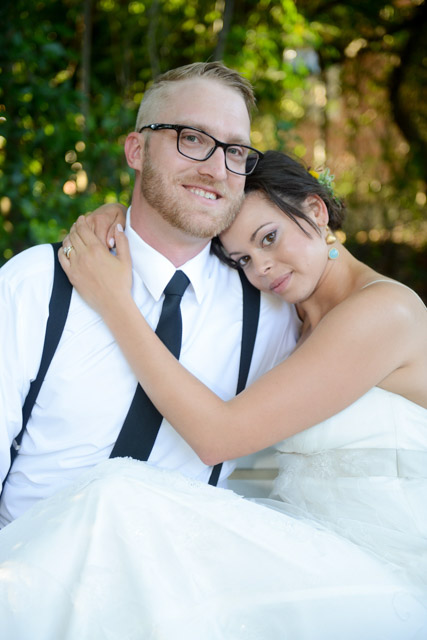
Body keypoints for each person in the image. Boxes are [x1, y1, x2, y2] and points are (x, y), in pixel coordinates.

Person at [0, 151, 425, 639]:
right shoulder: (290, 320)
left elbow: (218, 436)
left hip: (384, 566)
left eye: (269, 238)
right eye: (242, 258)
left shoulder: (384, 312)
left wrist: (114, 302)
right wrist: (117, 223)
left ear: (316, 211)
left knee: (118, 498)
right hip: (306, 544)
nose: (262, 268)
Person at [0, 63, 299, 527]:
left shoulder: (270, 312)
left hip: (181, 585)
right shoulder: (36, 283)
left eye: (235, 150)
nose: (216, 169)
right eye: (192, 138)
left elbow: (263, 470)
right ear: (136, 149)